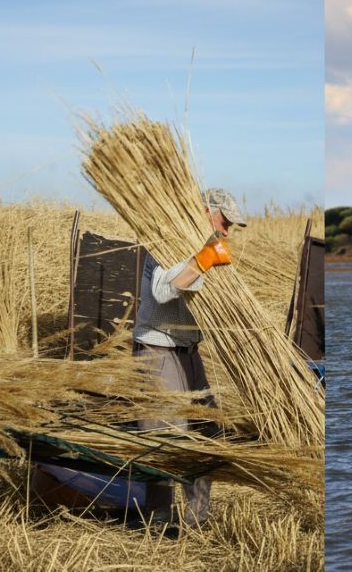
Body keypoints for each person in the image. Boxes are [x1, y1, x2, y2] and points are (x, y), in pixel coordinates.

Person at [132, 187, 246, 534]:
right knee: (166, 435)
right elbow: (163, 290)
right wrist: (202, 260)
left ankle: (198, 521)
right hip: (157, 348)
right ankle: (159, 524)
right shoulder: (165, 240)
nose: (226, 231)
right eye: (224, 222)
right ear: (207, 211)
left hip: (188, 349)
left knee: (205, 432)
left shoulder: (208, 246)